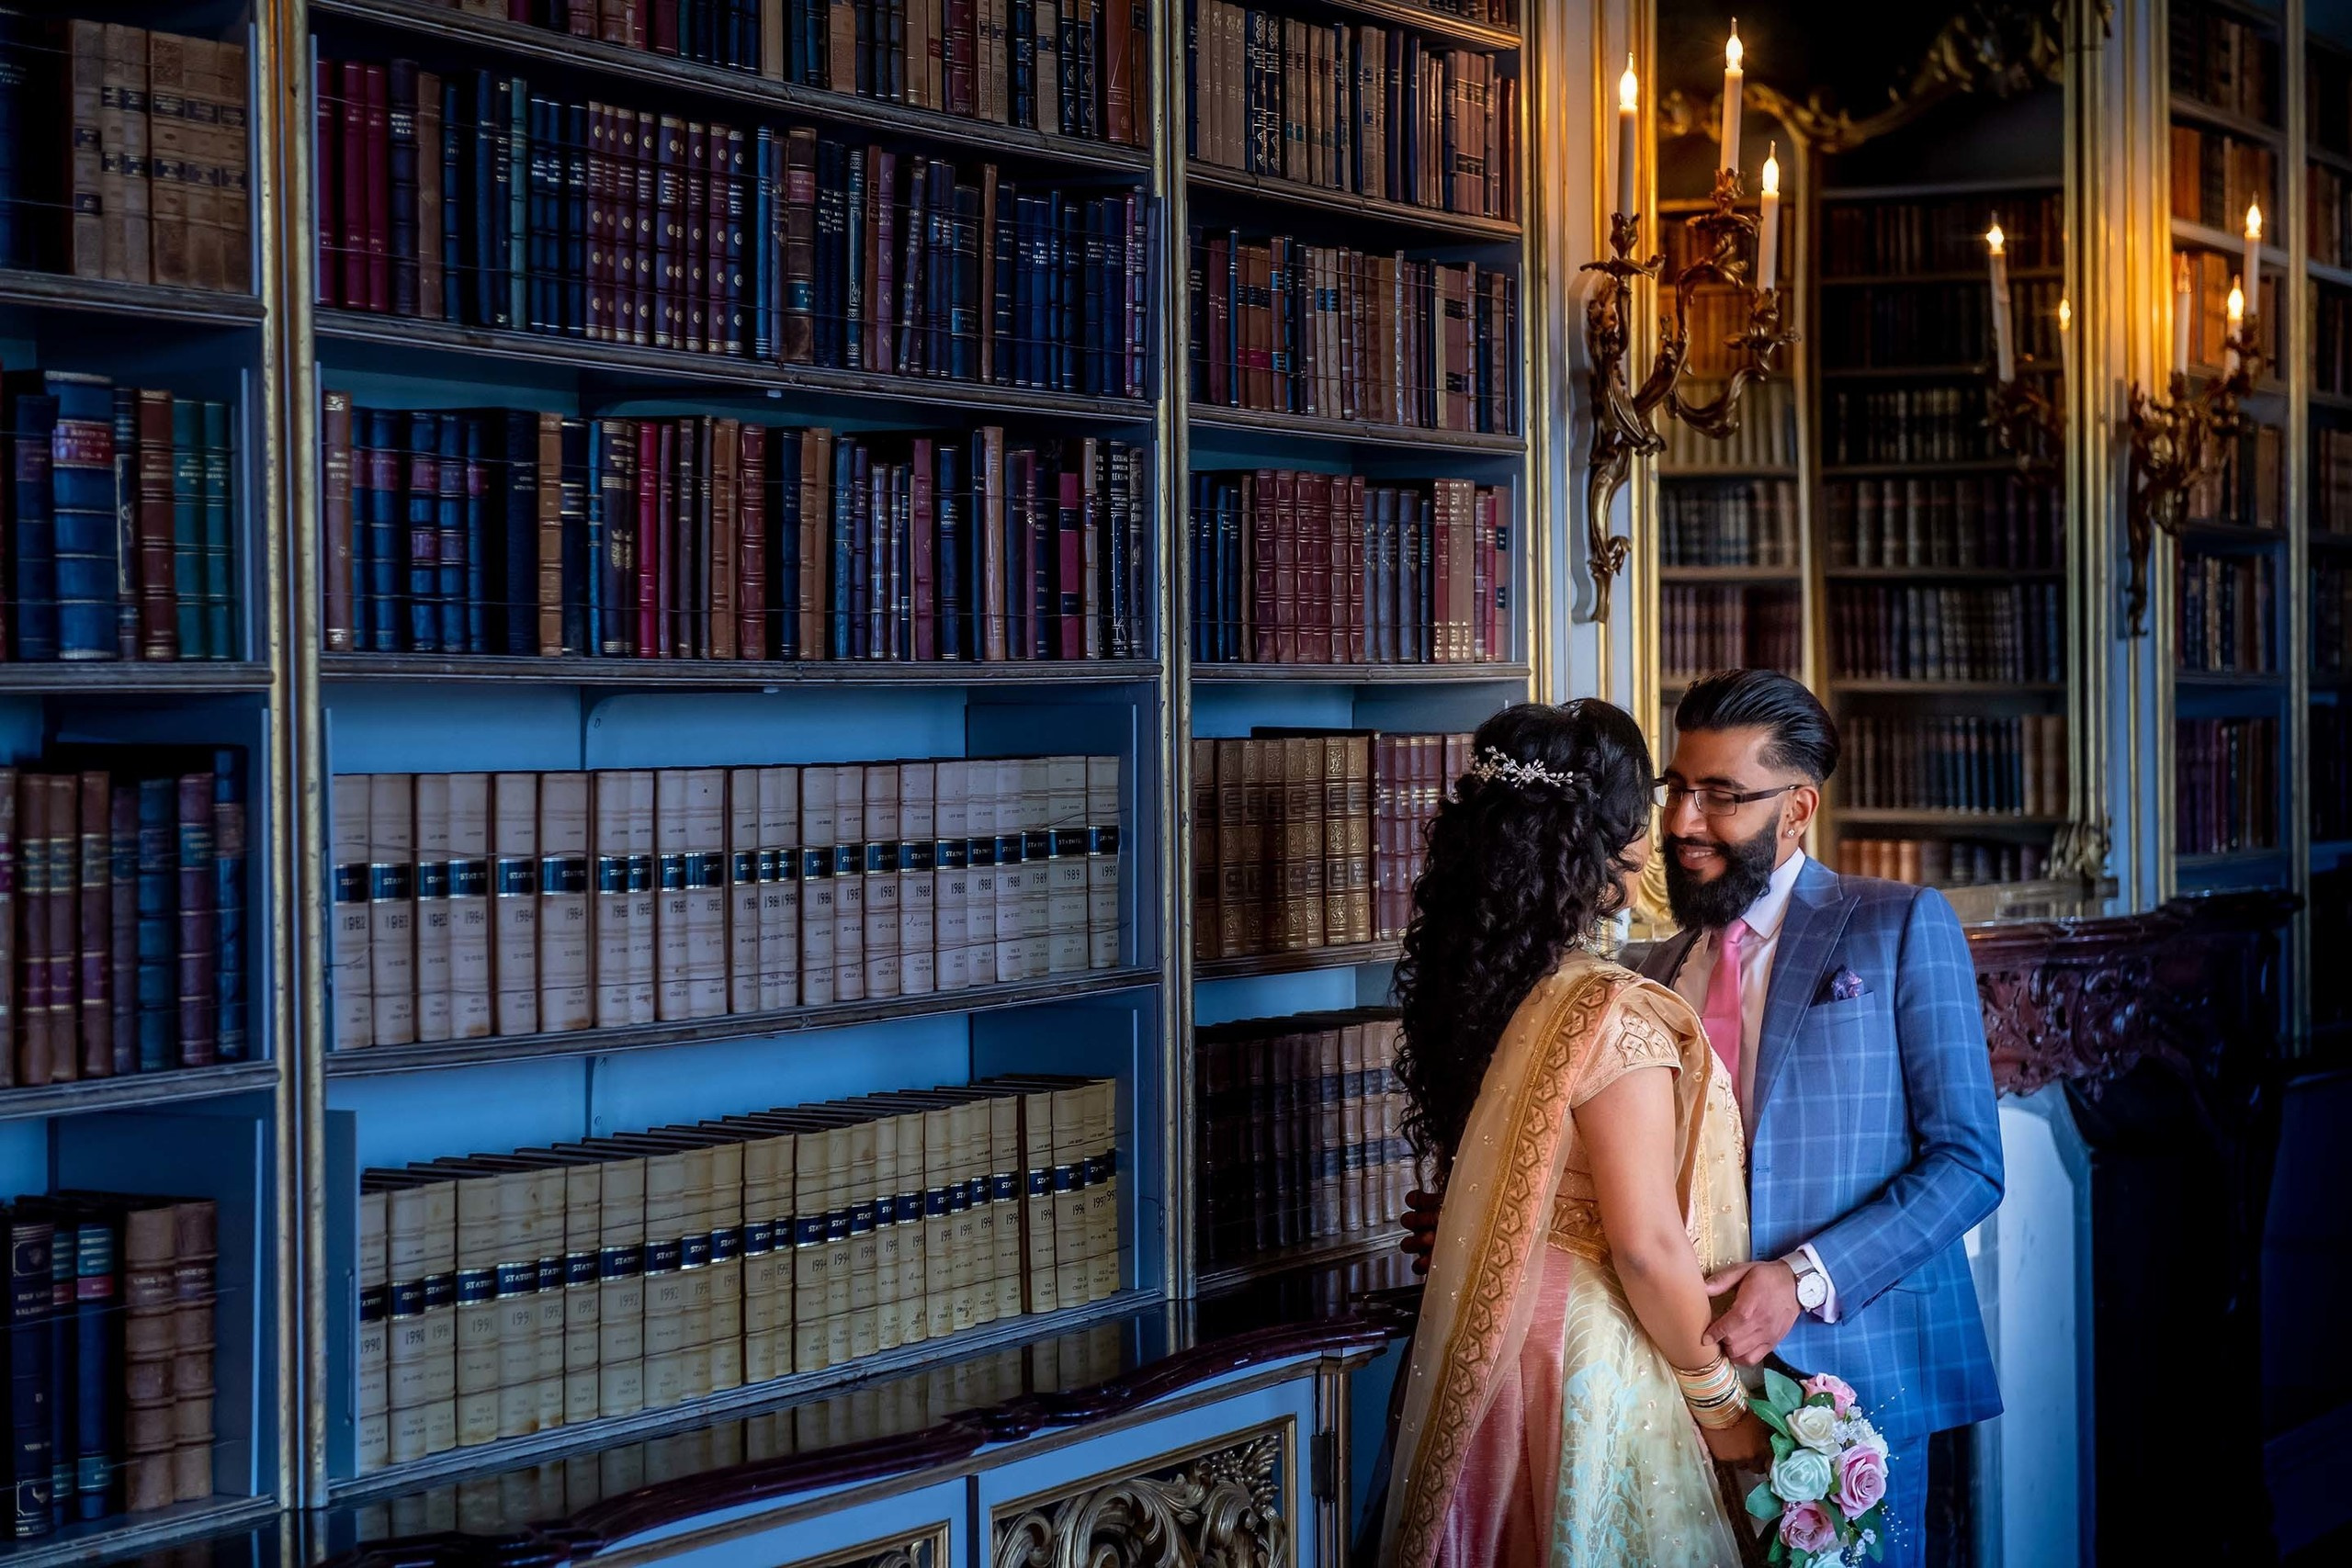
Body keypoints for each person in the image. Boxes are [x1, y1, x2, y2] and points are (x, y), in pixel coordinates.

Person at [1398, 671, 2005, 1568]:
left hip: (1845, 1377)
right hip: (1661, 1386)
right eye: (1676, 789)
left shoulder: (1898, 927)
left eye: (1720, 796)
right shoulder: (1639, 970)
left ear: (1796, 810)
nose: (1681, 822)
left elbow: (1968, 1163)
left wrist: (1800, 1278)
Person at [1376, 699, 1768, 1568]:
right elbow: (1645, 1247)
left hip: (1495, 1335)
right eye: (1646, 807)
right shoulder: (1611, 1012)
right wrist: (1723, 1410)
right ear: (1609, 843)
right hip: (1590, 1353)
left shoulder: (1482, 985)